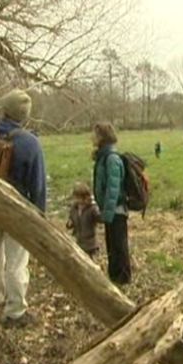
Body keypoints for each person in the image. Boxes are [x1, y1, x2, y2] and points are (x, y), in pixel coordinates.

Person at [0, 82, 46, 327]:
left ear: (4, 110)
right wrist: (40, 217)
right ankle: (15, 312)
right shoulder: (31, 143)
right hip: (18, 209)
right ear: (24, 117)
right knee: (16, 261)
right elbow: (37, 186)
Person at [92, 122, 132, 284]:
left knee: (119, 247)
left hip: (117, 210)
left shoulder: (112, 159)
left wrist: (106, 214)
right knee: (112, 246)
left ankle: (123, 279)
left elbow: (113, 189)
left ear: (102, 137)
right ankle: (114, 277)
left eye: (95, 134)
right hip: (110, 211)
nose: (92, 138)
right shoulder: (103, 156)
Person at [66, 182, 100, 259]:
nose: (77, 200)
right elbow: (71, 222)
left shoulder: (92, 209)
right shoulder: (74, 209)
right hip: (78, 241)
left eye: (79, 198)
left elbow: (99, 218)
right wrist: (69, 224)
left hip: (90, 243)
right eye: (76, 198)